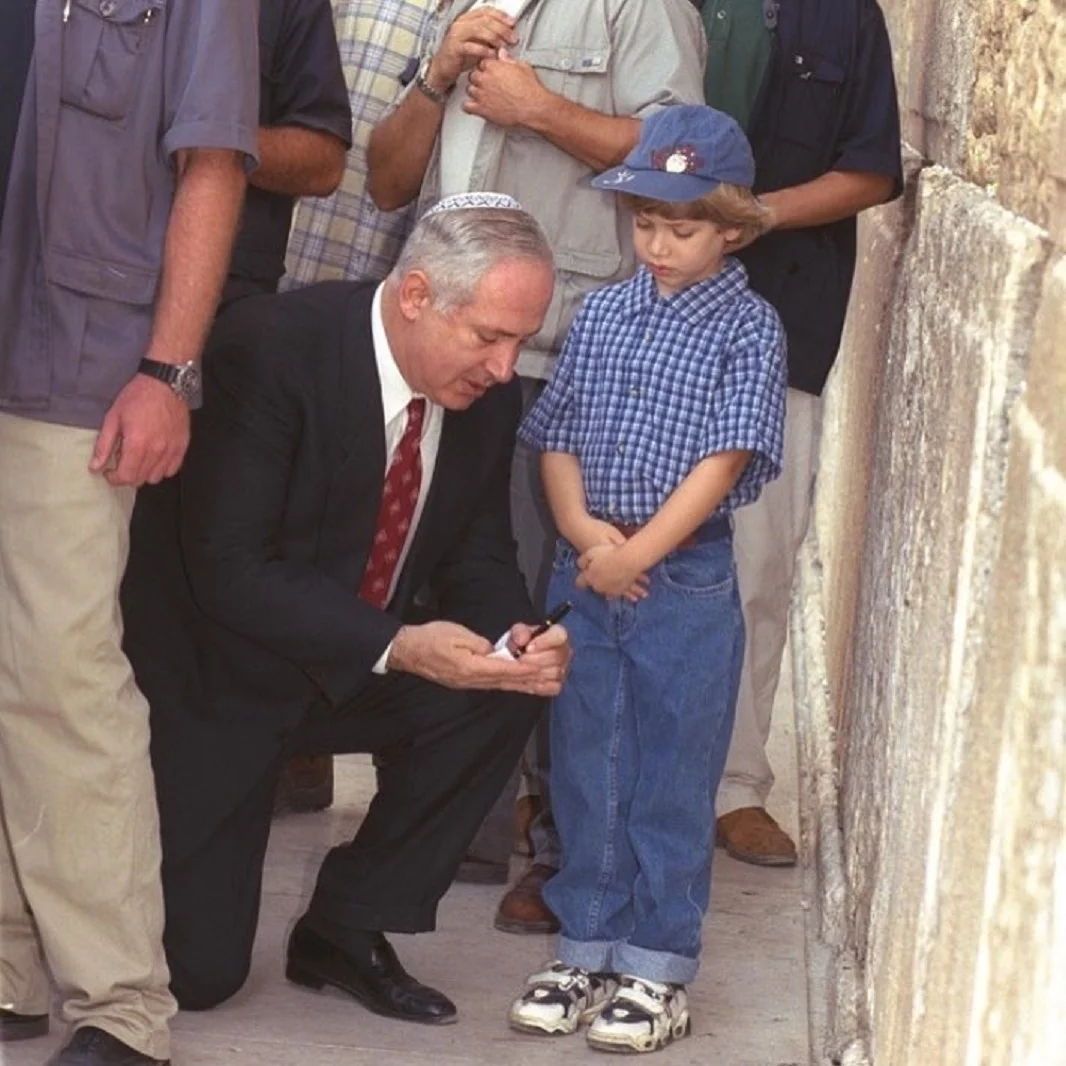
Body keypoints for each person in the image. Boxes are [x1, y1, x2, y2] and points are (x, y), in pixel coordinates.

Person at [120, 195, 572, 1026]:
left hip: (350, 662)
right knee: (196, 978)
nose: (507, 367)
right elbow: (230, 572)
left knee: (495, 693)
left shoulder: (487, 398)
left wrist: (516, 635)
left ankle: (346, 925)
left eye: (523, 341)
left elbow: (478, 556)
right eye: (488, 337)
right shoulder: (269, 349)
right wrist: (400, 645)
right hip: (214, 681)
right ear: (415, 296)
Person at [367, 0, 707, 928]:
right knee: (442, 594)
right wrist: (438, 77)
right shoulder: (451, 6)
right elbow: (387, 183)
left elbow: (683, 168)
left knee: (561, 608)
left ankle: (563, 856)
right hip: (441, 355)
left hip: (561, 358)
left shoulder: (642, 10)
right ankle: (454, 842)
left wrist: (540, 106)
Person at [0, 3, 258, 1065]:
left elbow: (215, 162)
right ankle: (11, 964)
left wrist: (167, 371)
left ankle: (119, 1004)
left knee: (63, 672)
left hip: (73, 360)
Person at [507, 105, 786, 1054]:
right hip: (592, 566)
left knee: (670, 773)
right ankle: (584, 944)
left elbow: (725, 456)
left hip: (684, 577)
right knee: (590, 761)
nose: (658, 244)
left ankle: (656, 967)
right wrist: (588, 535)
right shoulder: (604, 312)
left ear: (734, 228)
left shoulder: (749, 328)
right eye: (645, 223)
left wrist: (638, 553)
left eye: (683, 227)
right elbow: (557, 435)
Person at [692, 0, 904, 866]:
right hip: (638, 316)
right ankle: (552, 791)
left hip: (782, 329)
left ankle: (734, 789)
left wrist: (763, 215)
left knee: (759, 562)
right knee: (599, 551)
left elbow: (873, 169)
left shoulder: (847, 16)